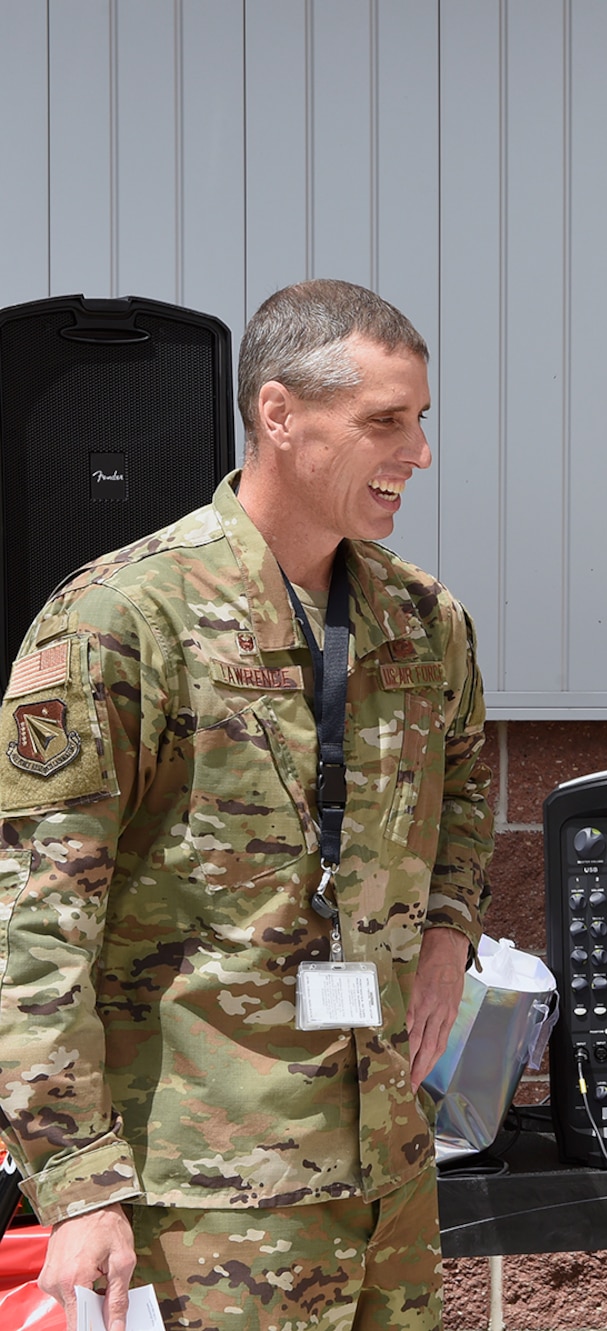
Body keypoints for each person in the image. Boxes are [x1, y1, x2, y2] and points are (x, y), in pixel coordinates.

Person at [0, 280, 493, 1331]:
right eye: (384, 422)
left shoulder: (419, 618)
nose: (418, 452)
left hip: (386, 1172)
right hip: (208, 1192)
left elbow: (467, 778)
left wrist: (450, 928)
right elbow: (34, 931)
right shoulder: (121, 621)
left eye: (420, 421)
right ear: (279, 415)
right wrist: (78, 1181)